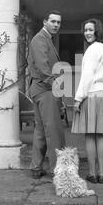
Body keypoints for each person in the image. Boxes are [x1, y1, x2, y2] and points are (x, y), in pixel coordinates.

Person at [71, 18, 103, 184]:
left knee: (90, 134)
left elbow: (87, 77)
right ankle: (102, 174)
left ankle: (92, 173)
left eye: (90, 30)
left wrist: (78, 99)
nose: (87, 33)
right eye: (85, 30)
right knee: (99, 135)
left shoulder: (91, 50)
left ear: (97, 31)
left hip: (92, 93)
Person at [27, 10, 66, 179]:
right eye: (53, 21)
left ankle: (36, 167)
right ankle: (58, 170)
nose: (56, 24)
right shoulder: (39, 39)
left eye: (58, 22)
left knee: (41, 130)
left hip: (41, 89)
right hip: (46, 90)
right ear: (45, 22)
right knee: (54, 131)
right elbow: (44, 67)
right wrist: (56, 86)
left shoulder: (46, 39)